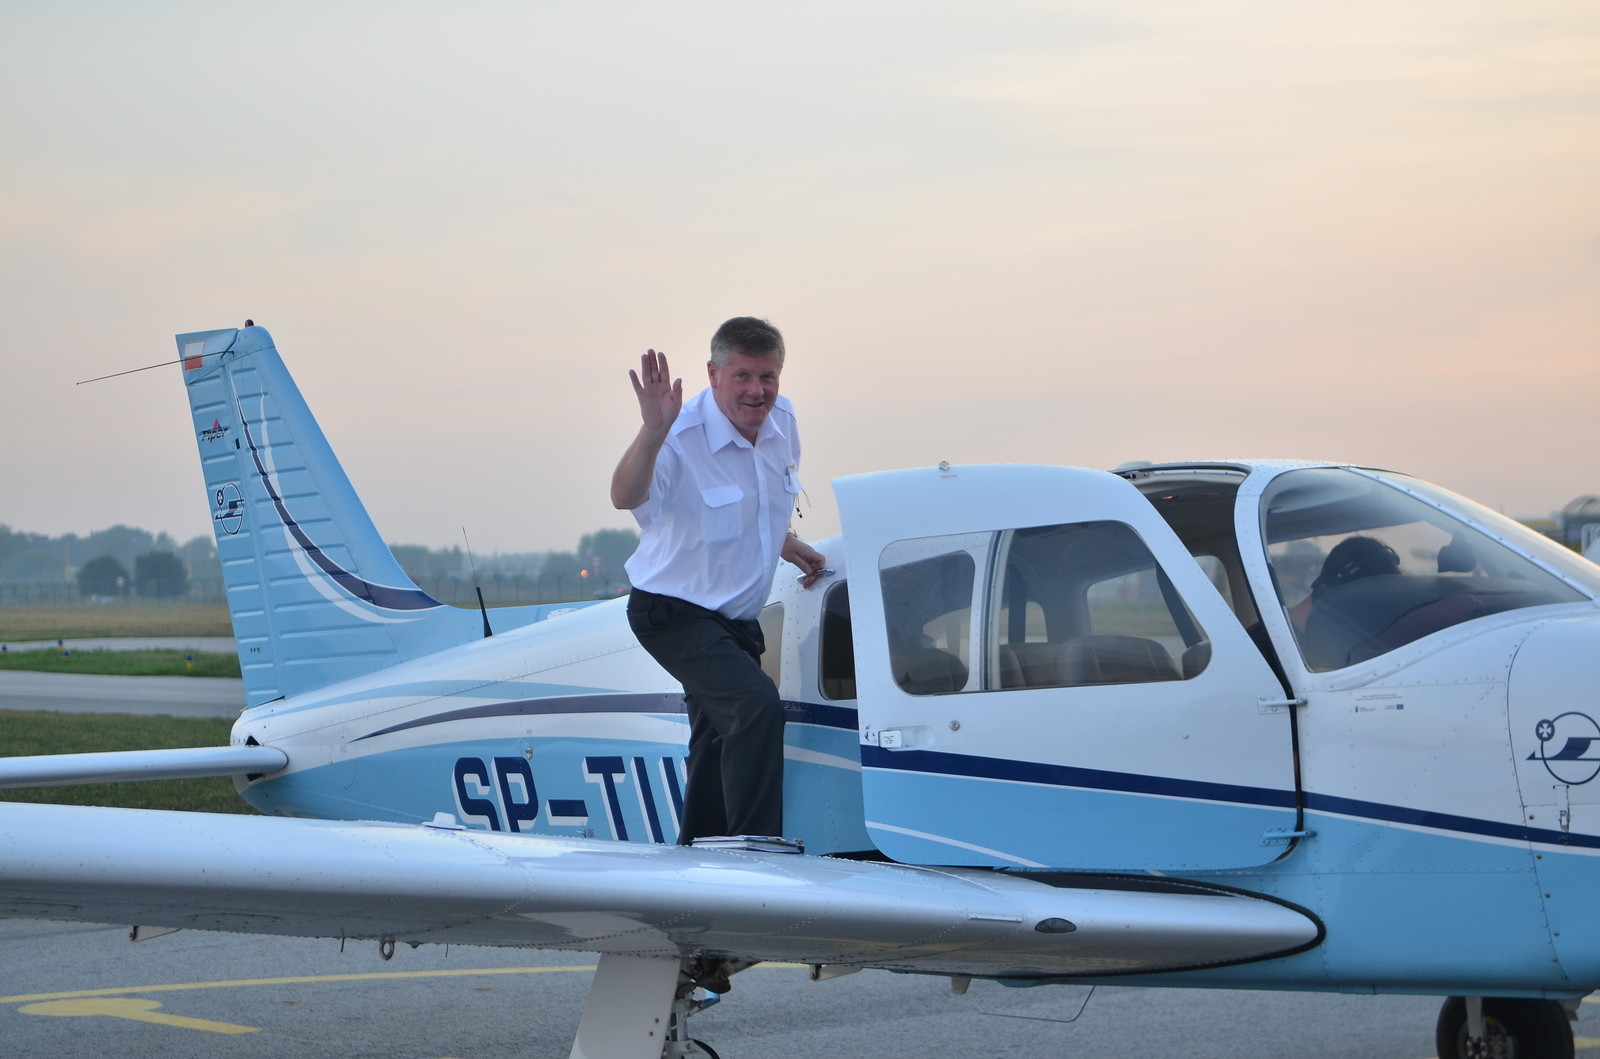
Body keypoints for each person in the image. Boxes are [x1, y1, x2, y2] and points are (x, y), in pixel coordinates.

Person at [611, 316, 827, 843]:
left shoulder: (784, 421)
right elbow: (624, 496)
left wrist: (785, 542)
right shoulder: (678, 435)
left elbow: (759, 496)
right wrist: (651, 432)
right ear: (713, 374)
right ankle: (756, 856)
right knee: (756, 709)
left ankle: (700, 863)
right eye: (743, 376)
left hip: (735, 623)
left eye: (768, 376)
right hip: (673, 612)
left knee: (714, 744)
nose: (757, 391)